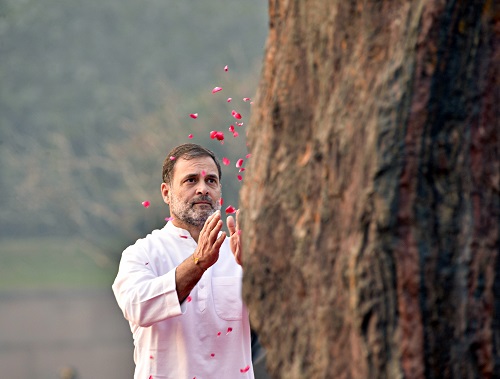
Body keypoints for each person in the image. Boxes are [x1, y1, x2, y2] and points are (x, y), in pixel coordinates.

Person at [112, 143, 254, 379]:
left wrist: (258, 273)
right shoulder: (143, 253)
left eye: (211, 181)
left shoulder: (240, 253)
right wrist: (198, 262)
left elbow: (280, 323)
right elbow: (138, 307)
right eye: (191, 180)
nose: (203, 189)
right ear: (166, 193)